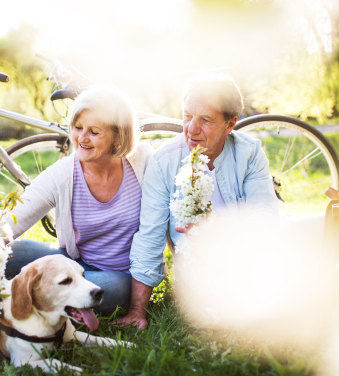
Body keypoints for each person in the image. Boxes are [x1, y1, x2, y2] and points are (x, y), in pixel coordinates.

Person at [115, 74, 279, 328]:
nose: (191, 129)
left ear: (230, 124)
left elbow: (264, 213)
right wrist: (138, 311)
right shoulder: (164, 162)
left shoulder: (250, 153)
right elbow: (150, 234)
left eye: (206, 120)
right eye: (187, 115)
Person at [3, 85, 153, 315]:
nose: (82, 138)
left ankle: (31, 295)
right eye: (78, 127)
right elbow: (13, 220)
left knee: (110, 288)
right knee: (12, 250)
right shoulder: (63, 173)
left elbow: (165, 222)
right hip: (74, 264)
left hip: (121, 277)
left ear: (117, 137)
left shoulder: (142, 161)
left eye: (94, 132)